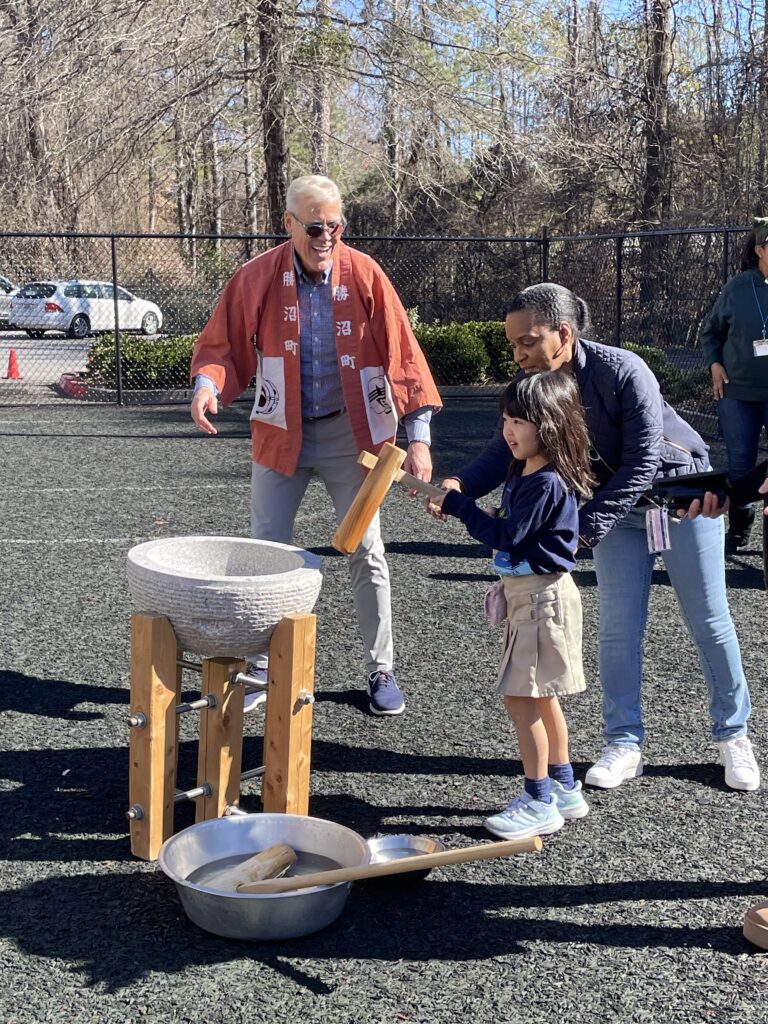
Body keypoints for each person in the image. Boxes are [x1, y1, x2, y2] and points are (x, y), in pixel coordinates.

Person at [430, 283, 760, 792]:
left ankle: (732, 734)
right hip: (615, 511)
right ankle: (623, 741)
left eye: (527, 342)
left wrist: (584, 529)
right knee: (618, 627)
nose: (518, 355)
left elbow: (643, 460)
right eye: (512, 344)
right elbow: (506, 448)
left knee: (709, 620)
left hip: (679, 499)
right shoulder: (534, 385)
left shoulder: (622, 370)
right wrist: (459, 484)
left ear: (562, 334)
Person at [190, 174, 442, 716]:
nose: (325, 236)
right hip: (282, 433)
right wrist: (207, 386)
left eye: (334, 225)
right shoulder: (255, 277)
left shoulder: (367, 275)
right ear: (288, 224)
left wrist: (418, 439)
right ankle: (261, 663)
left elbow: (405, 359)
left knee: (367, 549)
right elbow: (223, 344)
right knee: (266, 550)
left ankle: (381, 667)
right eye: (313, 226)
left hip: (355, 437)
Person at [430, 371, 595, 839]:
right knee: (543, 699)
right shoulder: (527, 471)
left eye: (519, 421)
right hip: (533, 597)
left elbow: (507, 535)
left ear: (550, 424)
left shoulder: (544, 483)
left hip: (541, 601)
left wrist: (461, 506)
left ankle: (539, 799)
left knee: (521, 699)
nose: (509, 431)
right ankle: (564, 787)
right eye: (505, 419)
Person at [700, 216, 768, 552]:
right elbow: (711, 332)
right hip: (737, 393)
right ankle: (740, 528)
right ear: (760, 250)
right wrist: (714, 364)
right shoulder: (737, 288)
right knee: (741, 463)